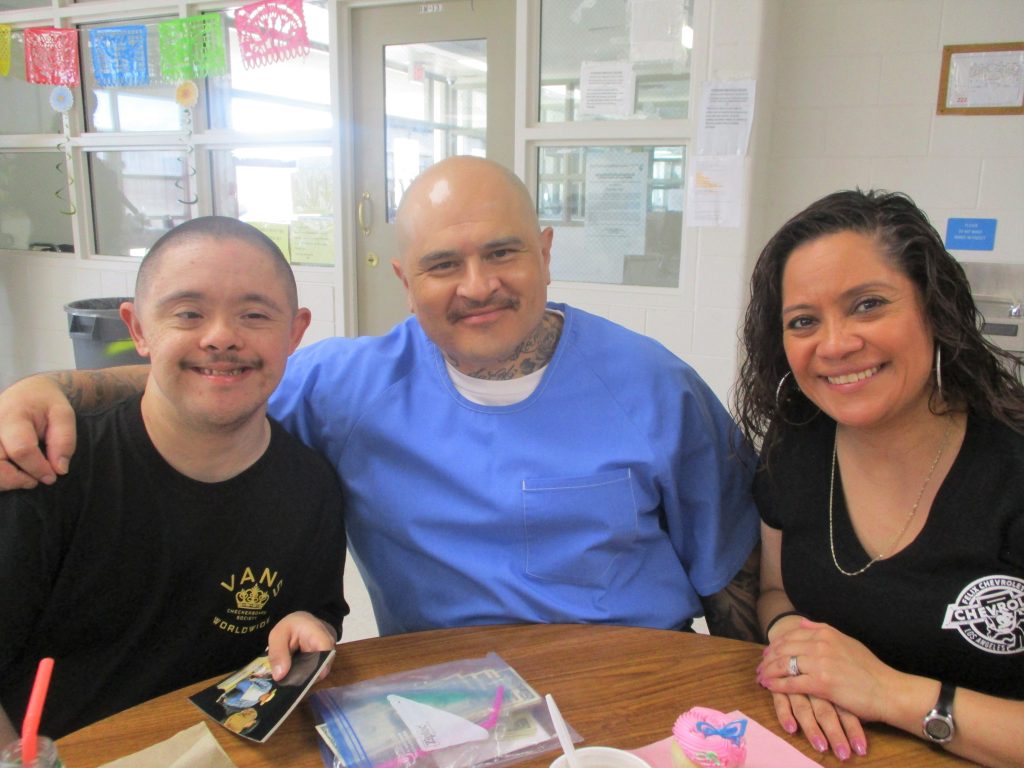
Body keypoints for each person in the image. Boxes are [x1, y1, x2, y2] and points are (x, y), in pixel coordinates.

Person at [0, 157, 759, 642]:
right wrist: (48, 388)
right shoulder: (349, 388)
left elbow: (735, 580)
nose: (478, 286)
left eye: (502, 252)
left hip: (628, 688)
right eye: (442, 264)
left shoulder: (655, 389)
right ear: (405, 281)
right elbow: (221, 374)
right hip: (444, 707)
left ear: (546, 252)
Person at [0, 217, 347, 743]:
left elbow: (318, 613)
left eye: (254, 314)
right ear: (138, 328)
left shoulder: (310, 488)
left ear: (295, 332)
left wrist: (308, 627)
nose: (221, 337)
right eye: (188, 313)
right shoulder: (47, 471)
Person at [733, 189, 1024, 767]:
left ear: (934, 307)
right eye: (804, 321)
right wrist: (797, 651)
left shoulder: (1011, 463)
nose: (836, 344)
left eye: (867, 305)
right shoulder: (797, 443)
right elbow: (776, 591)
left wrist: (887, 694)